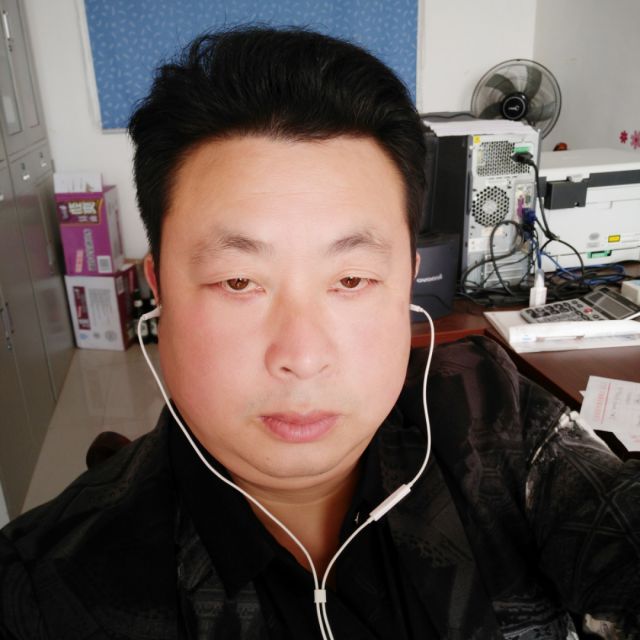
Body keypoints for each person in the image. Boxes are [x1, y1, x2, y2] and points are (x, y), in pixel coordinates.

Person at [1, 26, 639, 640]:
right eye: (238, 282)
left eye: (352, 280)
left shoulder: (492, 414)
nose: (303, 358)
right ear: (159, 290)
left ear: (409, 280)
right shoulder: (44, 592)